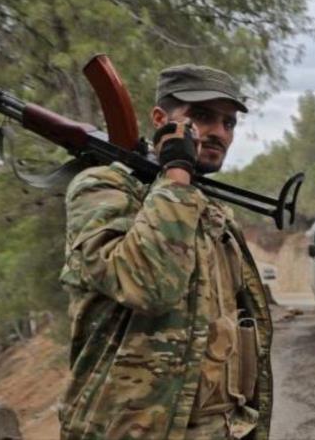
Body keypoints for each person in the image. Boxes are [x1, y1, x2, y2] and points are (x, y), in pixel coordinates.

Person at [58, 64, 273, 440]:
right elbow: (149, 286)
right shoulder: (102, 189)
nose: (219, 133)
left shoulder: (211, 210)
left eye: (229, 123)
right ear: (160, 119)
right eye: (203, 117)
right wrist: (176, 172)